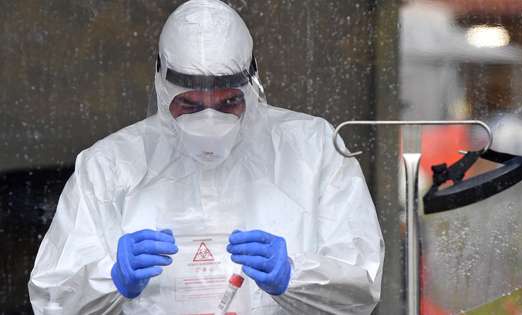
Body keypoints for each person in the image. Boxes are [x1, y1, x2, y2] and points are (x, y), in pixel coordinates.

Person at [28, 0, 384, 314]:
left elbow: (362, 284)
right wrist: (110, 278)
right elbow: (52, 298)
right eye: (191, 105)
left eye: (229, 102)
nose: (210, 121)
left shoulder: (311, 150)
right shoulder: (110, 166)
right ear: (163, 88)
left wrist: (295, 275)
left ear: (252, 85)